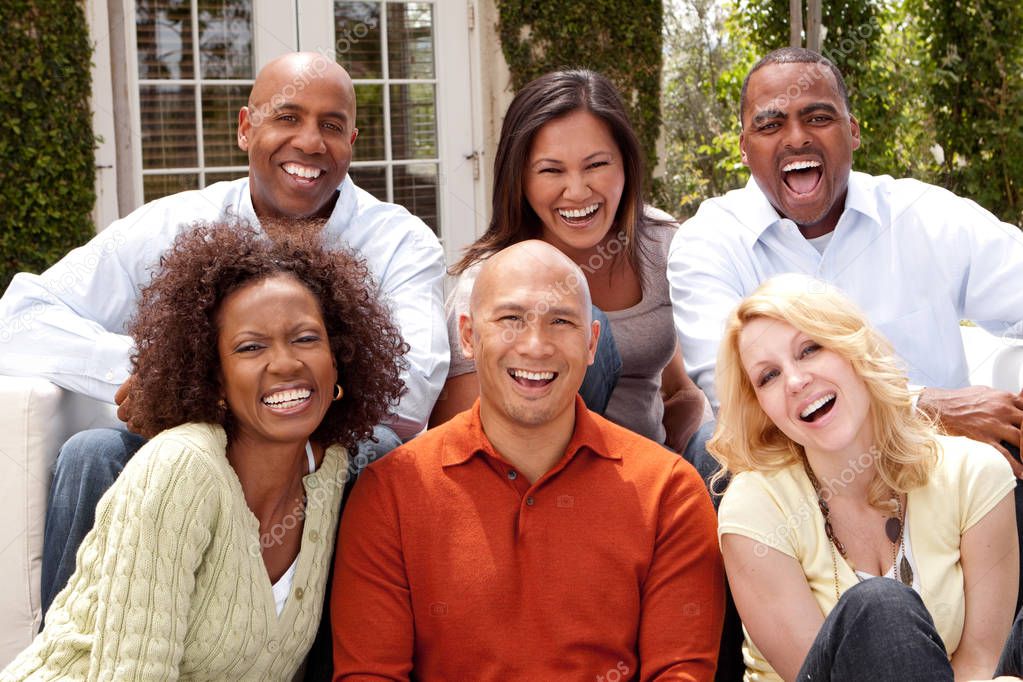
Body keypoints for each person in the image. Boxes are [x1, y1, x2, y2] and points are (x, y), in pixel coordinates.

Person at [0, 51, 448, 615]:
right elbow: (17, 317)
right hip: (187, 442)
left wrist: (250, 404)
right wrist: (154, 376)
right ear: (246, 127)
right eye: (288, 117)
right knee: (91, 454)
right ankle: (70, 663)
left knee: (378, 451)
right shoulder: (176, 223)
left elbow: (408, 395)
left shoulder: (399, 243)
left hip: (318, 446)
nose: (310, 142)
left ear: (351, 141)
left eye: (331, 126)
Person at [0, 221, 406, 680]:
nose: (287, 363)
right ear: (213, 377)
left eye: (306, 338)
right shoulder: (180, 469)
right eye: (251, 347)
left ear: (339, 357)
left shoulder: (331, 473)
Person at [331, 240, 725, 681]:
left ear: (592, 343)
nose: (536, 346)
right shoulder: (392, 492)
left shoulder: (668, 491)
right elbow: (369, 674)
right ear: (467, 335)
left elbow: (679, 673)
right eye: (511, 319)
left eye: (561, 321)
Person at [667, 47, 1023, 469]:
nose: (797, 137)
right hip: (799, 475)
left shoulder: (923, 213)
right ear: (745, 148)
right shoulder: (710, 241)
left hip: (944, 469)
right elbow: (737, 398)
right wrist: (920, 406)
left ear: (852, 131)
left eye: (818, 118)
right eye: (770, 124)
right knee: (714, 452)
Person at [710, 273, 1019, 681]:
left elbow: (980, 661)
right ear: (760, 406)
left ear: (854, 348)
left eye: (810, 349)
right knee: (880, 609)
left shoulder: (974, 473)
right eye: (769, 376)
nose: (796, 381)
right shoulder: (754, 509)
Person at [430, 69, 708, 454]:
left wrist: (686, 424)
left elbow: (678, 386)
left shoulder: (662, 244)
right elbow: (455, 437)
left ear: (626, 165)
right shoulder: (489, 280)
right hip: (539, 480)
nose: (577, 191)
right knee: (580, 314)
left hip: (648, 478)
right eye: (551, 170)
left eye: (596, 165)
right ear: (520, 178)